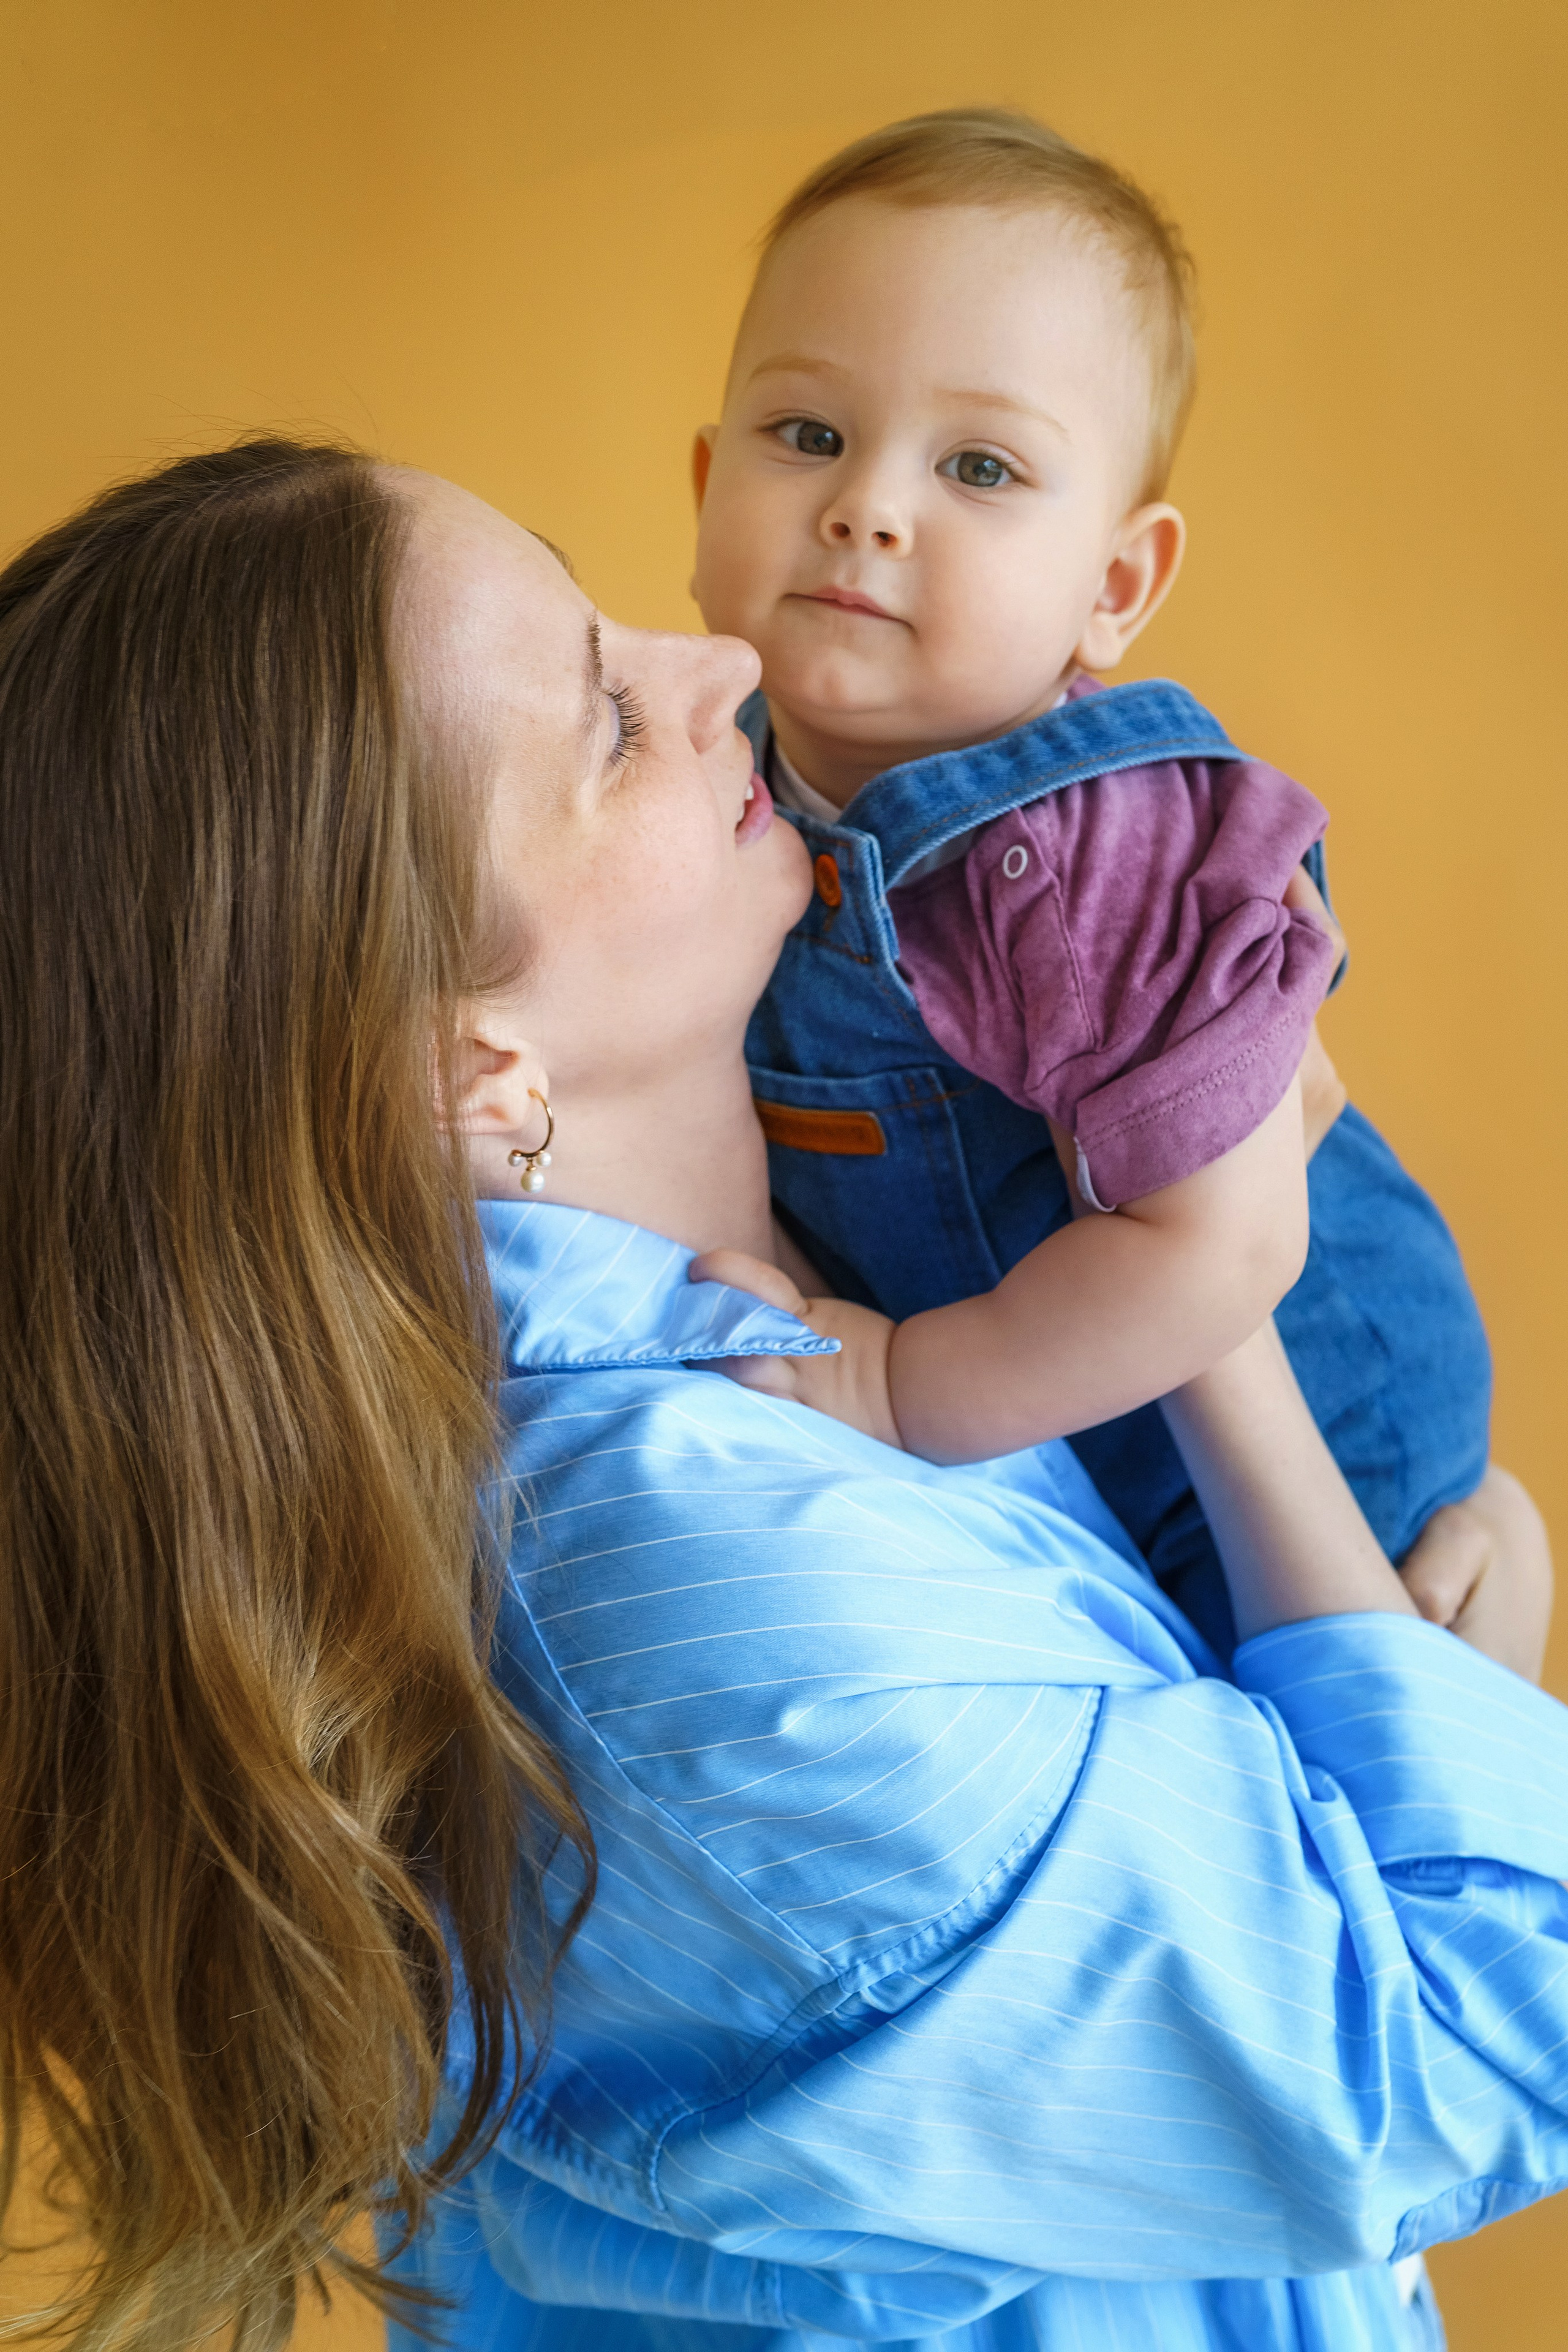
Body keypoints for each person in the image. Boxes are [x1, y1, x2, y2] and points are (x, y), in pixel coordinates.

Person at [1, 442, 1560, 2352]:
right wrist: (1195, 1251)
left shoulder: (787, 1316)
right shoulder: (705, 1616)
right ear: (472, 1071)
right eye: (603, 720)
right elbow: (1491, 2023)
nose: (722, 665)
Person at [692, 110, 1493, 1649]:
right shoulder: (689, 774)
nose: (866, 504)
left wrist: (894, 1386)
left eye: (978, 465)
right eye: (807, 435)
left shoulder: (1087, 846)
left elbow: (1226, 1247)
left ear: (1112, 589)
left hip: (1295, 1438)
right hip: (1033, 1426)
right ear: (703, 479)